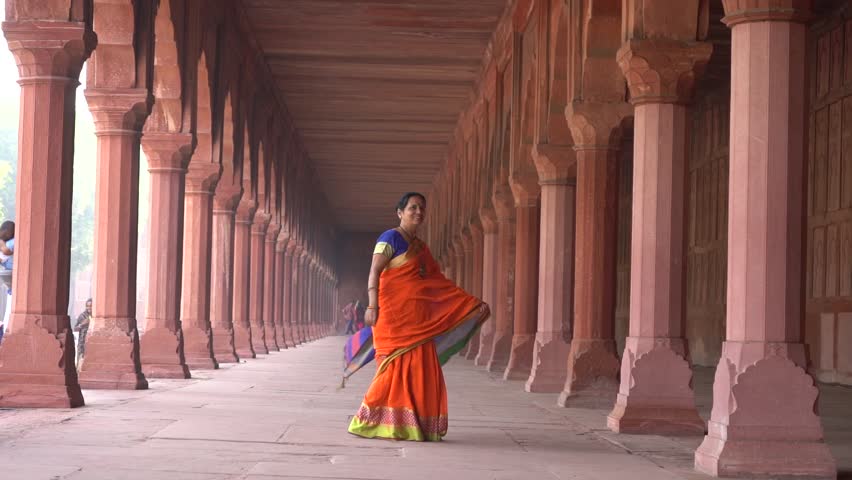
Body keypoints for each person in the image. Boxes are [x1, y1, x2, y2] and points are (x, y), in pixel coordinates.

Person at [347, 192, 490, 442]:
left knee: (420, 371)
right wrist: (371, 305)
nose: (418, 212)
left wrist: (468, 304)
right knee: (392, 370)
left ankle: (411, 424)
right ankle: (368, 420)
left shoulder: (421, 249)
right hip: (392, 320)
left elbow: (437, 283)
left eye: (422, 208)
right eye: (412, 207)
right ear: (400, 212)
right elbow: (375, 271)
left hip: (418, 322)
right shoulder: (389, 238)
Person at [0, 221, 14, 342]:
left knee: (10, 310)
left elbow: (6, 252)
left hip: (14, 279)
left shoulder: (12, 242)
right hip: (11, 284)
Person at [74, 298, 92, 364]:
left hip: (91, 344)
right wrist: (82, 324)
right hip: (82, 343)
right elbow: (75, 329)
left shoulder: (96, 317)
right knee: (80, 362)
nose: (89, 308)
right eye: (87, 306)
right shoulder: (82, 316)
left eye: (90, 306)